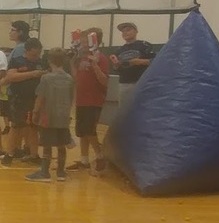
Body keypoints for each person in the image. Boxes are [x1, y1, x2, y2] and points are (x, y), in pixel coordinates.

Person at [27, 48, 74, 182]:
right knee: (61, 144)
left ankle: (44, 172)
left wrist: (35, 113)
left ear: (49, 60)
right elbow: (71, 98)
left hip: (48, 116)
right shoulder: (69, 78)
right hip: (63, 116)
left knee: (47, 145)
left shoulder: (46, 78)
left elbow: (40, 97)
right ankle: (61, 172)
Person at [67, 28, 110, 175]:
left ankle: (100, 157)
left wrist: (95, 65)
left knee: (90, 131)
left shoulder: (101, 58)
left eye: (87, 41)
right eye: (82, 40)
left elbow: (104, 81)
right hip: (81, 100)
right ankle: (84, 160)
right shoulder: (81, 58)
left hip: (94, 100)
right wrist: (72, 61)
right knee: (82, 132)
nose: (84, 43)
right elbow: (76, 78)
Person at [0, 37, 47, 165]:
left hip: (35, 99)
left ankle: (34, 154)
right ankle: (9, 153)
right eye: (33, 54)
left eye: (38, 54)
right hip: (18, 98)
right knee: (16, 126)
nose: (36, 57)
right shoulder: (17, 61)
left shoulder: (41, 62)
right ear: (26, 51)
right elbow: (11, 76)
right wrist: (32, 74)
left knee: (33, 127)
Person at [111, 22, 155, 104]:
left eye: (128, 30)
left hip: (141, 83)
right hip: (124, 84)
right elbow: (116, 69)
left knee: (141, 108)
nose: (125, 33)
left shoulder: (144, 45)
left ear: (136, 31)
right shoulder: (118, 50)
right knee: (124, 110)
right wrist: (116, 65)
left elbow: (155, 61)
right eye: (123, 31)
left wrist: (140, 62)